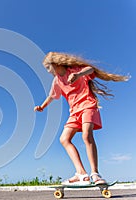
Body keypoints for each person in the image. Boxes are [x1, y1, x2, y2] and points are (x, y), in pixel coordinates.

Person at [34, 52, 129, 186]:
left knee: (86, 135)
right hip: (74, 112)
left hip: (87, 105)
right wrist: (42, 107)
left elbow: (90, 69)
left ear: (55, 64)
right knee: (64, 139)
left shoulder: (74, 70)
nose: (48, 71)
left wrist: (78, 75)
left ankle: (95, 173)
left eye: (48, 68)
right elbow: (52, 96)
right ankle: (81, 173)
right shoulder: (57, 81)